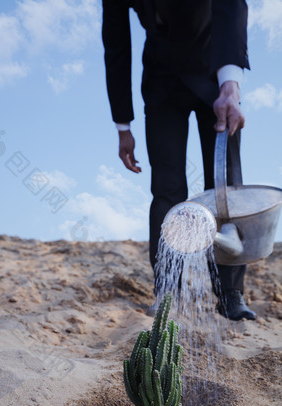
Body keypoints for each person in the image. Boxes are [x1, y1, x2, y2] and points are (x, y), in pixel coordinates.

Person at [102, 0, 256, 321]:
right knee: (166, 188)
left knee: (224, 186)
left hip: (213, 70)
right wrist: (123, 126)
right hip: (161, 80)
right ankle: (168, 288)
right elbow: (115, 42)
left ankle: (229, 293)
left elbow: (231, 6)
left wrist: (230, 85)